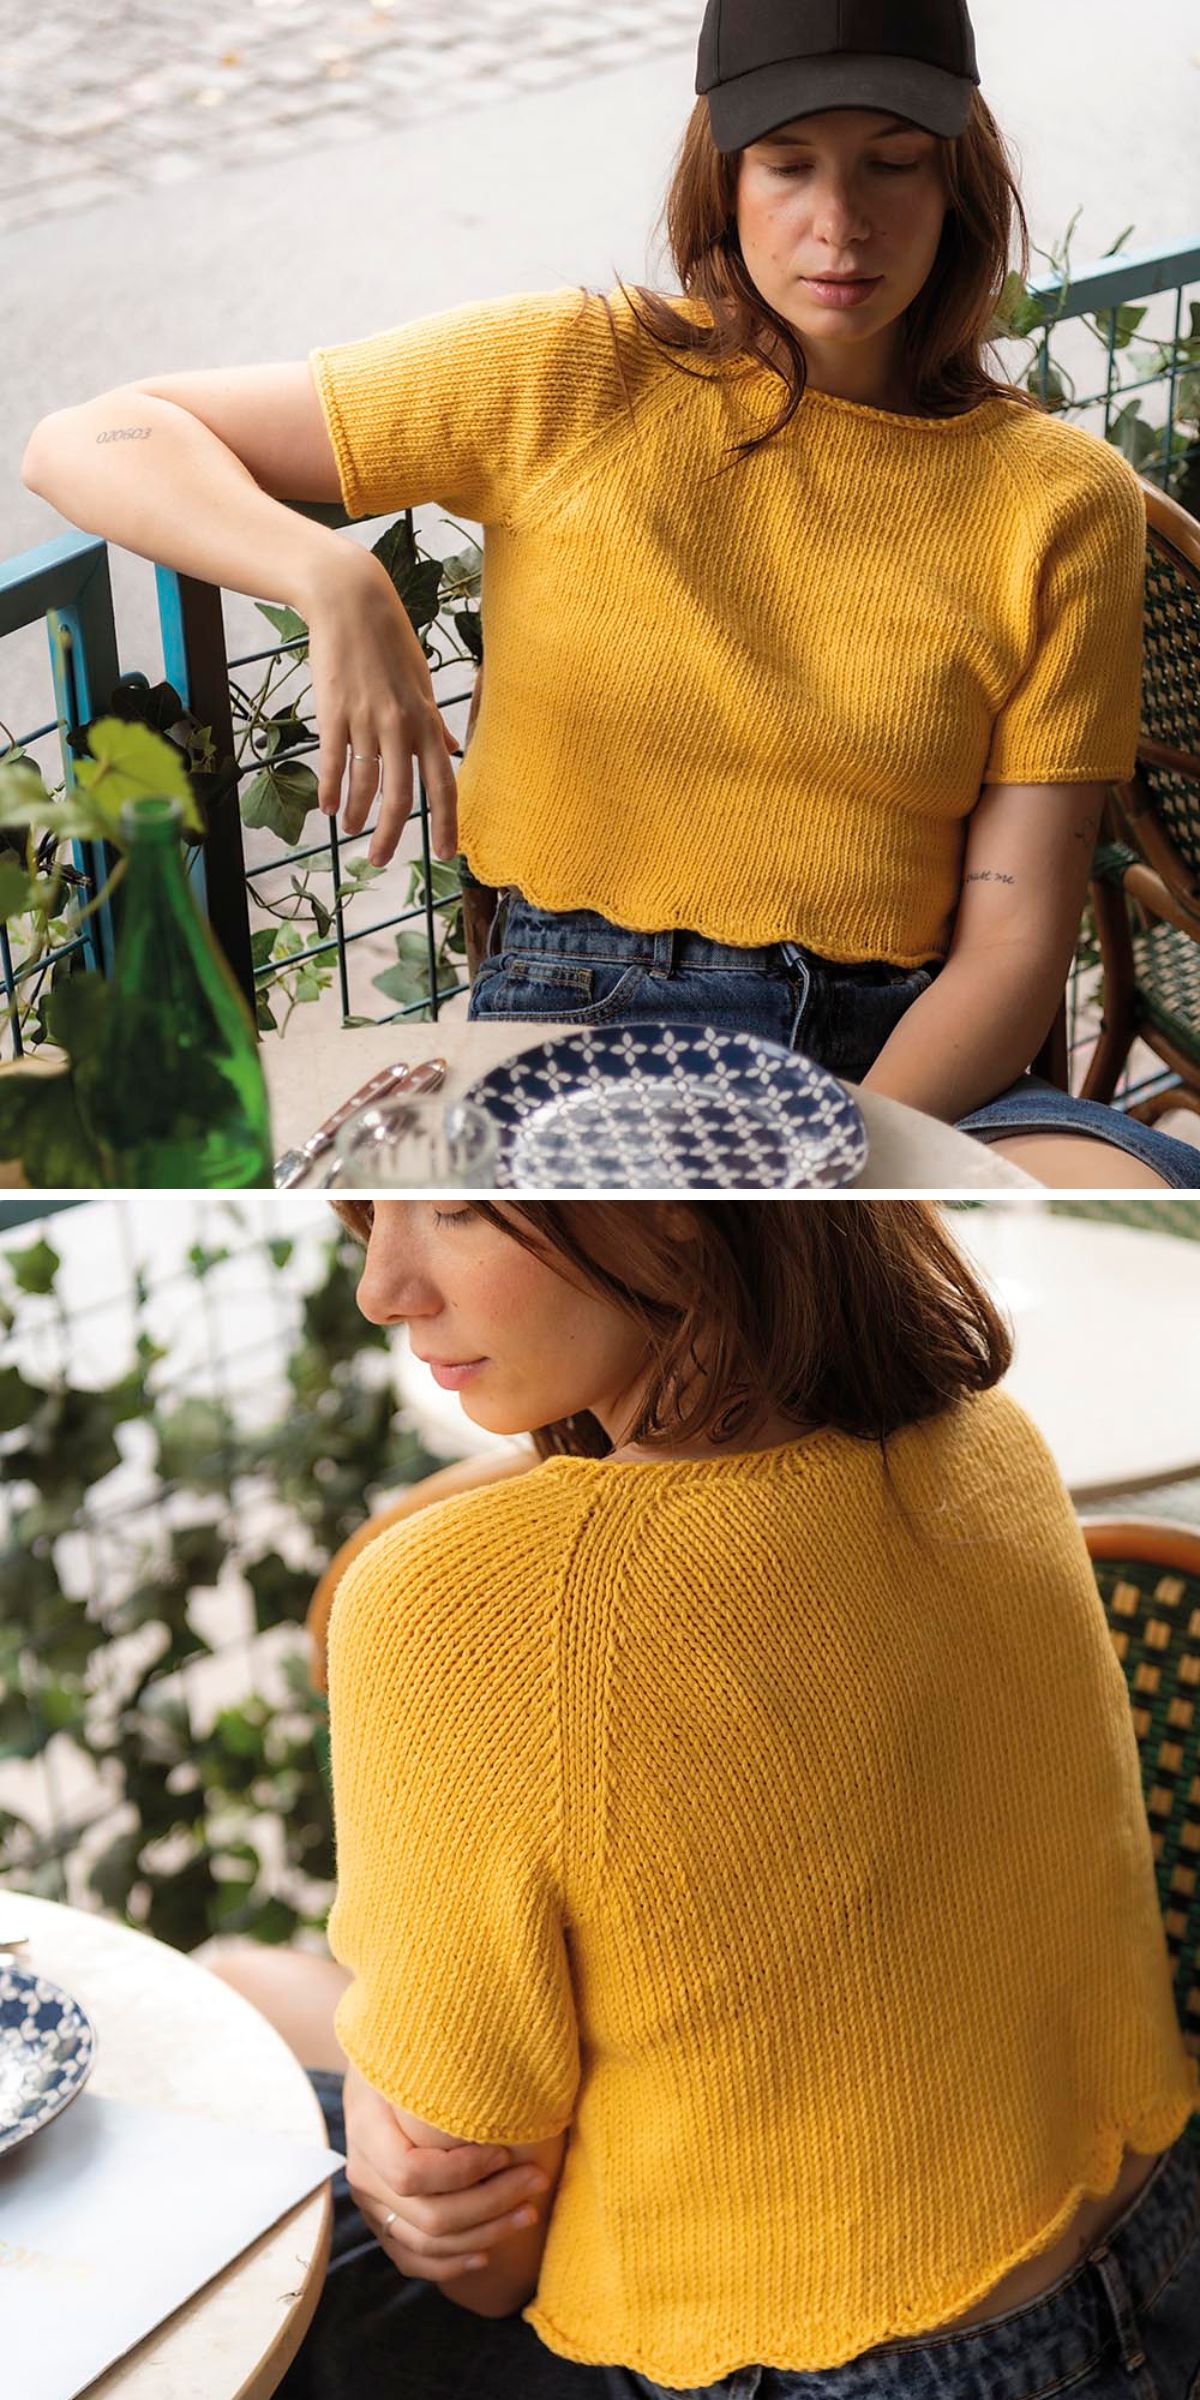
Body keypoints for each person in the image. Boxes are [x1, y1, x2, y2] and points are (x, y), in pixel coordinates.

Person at [18, 6, 1200, 1190]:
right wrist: (332, 575)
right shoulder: (577, 374)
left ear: (959, 187)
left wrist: (834, 1175)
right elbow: (94, 437)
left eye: (893, 163)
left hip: (904, 1070)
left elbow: (1011, 945)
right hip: (586, 1038)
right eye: (789, 166)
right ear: (722, 183)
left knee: (1150, 1222)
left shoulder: (1061, 499)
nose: (841, 223)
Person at [202, 1198, 1200, 2400]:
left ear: (674, 1213)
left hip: (790, 2361)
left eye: (460, 1209)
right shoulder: (992, 1441)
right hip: (1158, 2258)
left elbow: (483, 2261)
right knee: (250, 1990)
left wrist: (390, 2097)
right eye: (371, 1213)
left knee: (210, 2129)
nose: (386, 1285)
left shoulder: (462, 1609)